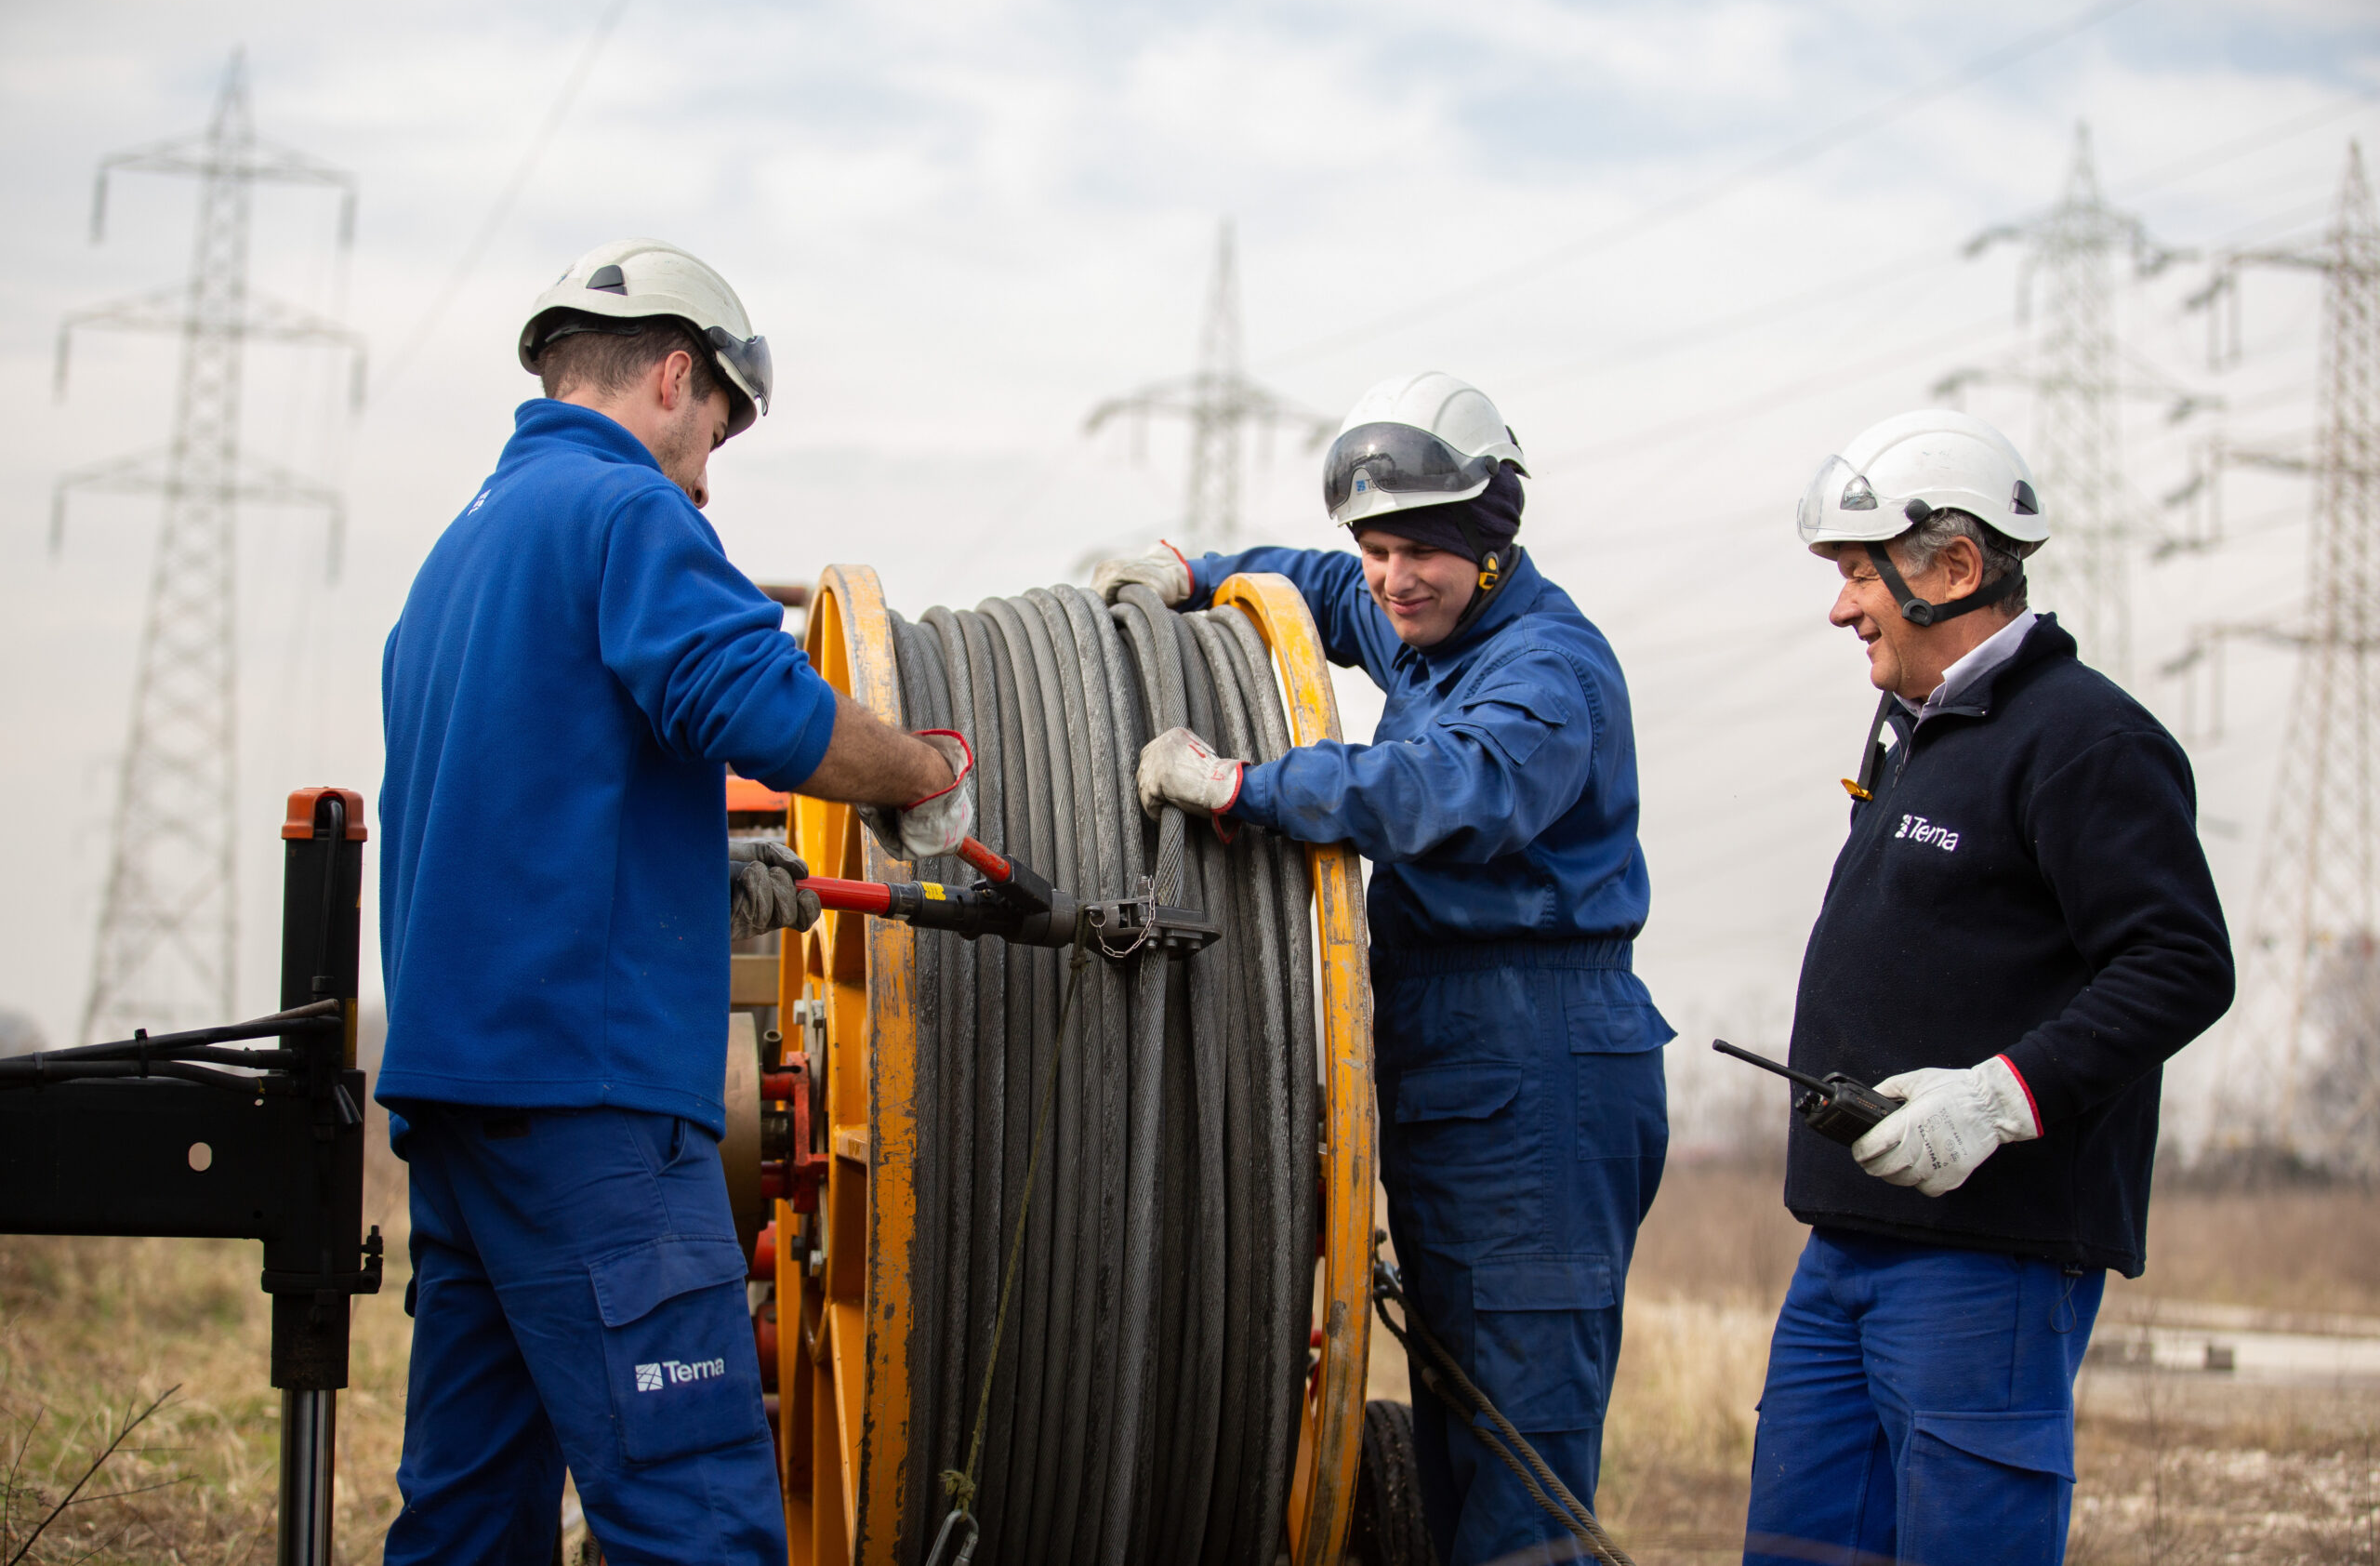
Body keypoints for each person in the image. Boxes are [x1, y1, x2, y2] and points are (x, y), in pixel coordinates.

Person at [377, 238, 975, 1566]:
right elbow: (754, 704)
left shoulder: (454, 560)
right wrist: (918, 776)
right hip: (591, 1121)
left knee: (469, 1518)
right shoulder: (626, 512)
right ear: (670, 375)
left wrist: (701, 878)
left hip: (460, 1110)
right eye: (715, 429)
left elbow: (524, 809)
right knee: (695, 1518)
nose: (707, 469)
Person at [1099, 371, 1672, 1565]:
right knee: (1464, 1412)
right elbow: (1314, 593)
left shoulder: (1543, 674)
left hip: (1544, 1063)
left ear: (1488, 540)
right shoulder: (1423, 624)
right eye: (1374, 547)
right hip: (1461, 1057)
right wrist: (1204, 572)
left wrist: (1249, 788)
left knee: (1524, 1446)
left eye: (1420, 550)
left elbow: (1439, 793)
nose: (1390, 577)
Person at [1745, 409, 2235, 1565]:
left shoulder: (2085, 740)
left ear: (1955, 568)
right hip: (1845, 1250)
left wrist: (1997, 1097)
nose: (1838, 606)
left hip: (1985, 1264)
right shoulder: (1912, 727)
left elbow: (2181, 963)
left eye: (1858, 575)